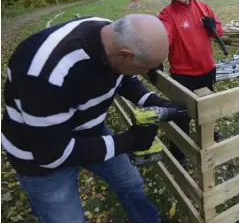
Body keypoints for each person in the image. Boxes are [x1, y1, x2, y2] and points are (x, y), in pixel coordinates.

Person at [1, 14, 182, 223]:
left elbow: (123, 76)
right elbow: (52, 154)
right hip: (40, 156)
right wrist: (128, 142)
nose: (148, 73)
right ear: (124, 55)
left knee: (130, 182)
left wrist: (150, 100)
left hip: (88, 129)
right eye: (146, 68)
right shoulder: (46, 74)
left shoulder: (111, 34)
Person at [148, 0, 224, 164]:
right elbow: (163, 37)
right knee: (182, 115)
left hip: (208, 69)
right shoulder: (167, 15)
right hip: (184, 75)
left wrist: (213, 27)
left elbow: (220, 33)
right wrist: (155, 56)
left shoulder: (204, 8)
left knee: (206, 108)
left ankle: (206, 132)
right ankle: (179, 151)